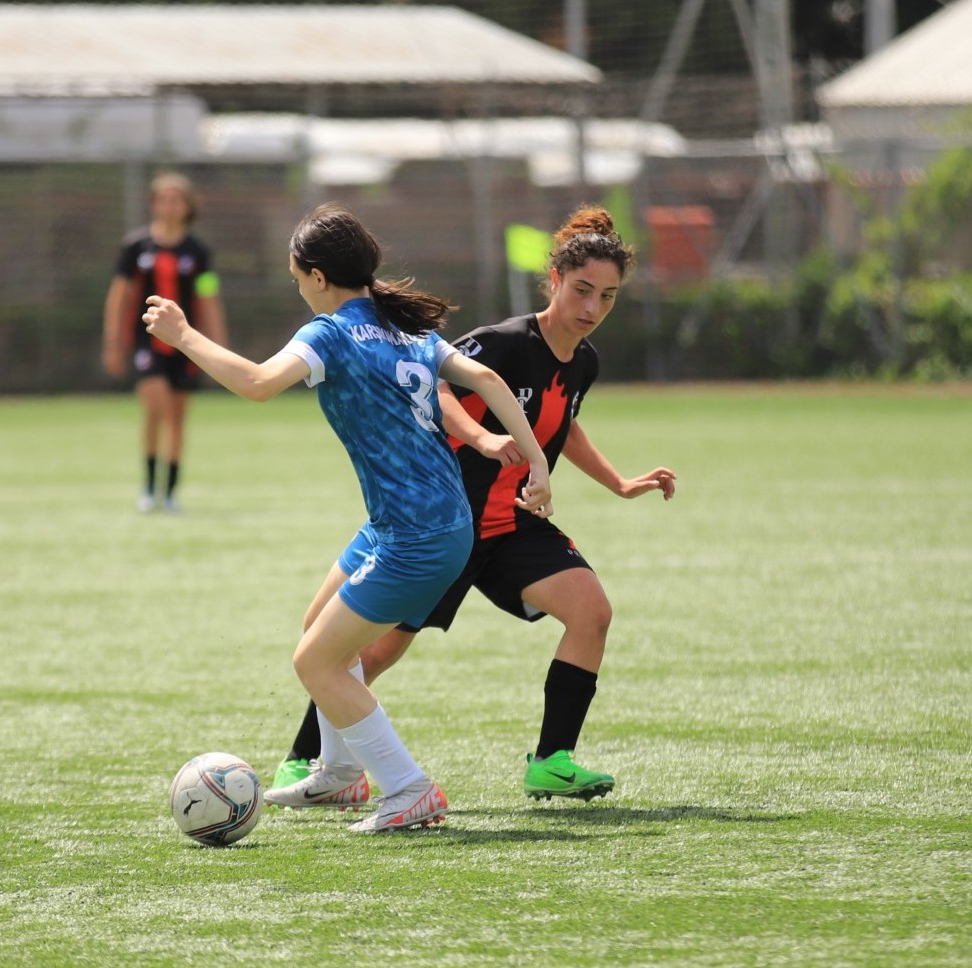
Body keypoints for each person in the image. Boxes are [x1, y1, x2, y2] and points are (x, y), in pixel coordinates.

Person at [141, 203, 553, 833]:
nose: (299, 290)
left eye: (296, 278)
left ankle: (409, 789)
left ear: (315, 276)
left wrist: (183, 336)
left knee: (317, 662)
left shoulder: (330, 332)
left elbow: (256, 384)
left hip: (418, 536)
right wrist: (536, 464)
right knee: (320, 629)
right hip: (417, 522)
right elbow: (490, 380)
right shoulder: (403, 328)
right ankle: (338, 775)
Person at [270, 205, 675, 806]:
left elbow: (560, 425)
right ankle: (306, 759)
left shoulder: (583, 362)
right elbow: (435, 384)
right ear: (555, 280)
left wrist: (617, 483)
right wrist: (483, 438)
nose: (592, 308)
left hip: (511, 525)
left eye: (608, 297)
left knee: (592, 612)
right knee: (370, 651)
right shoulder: (505, 342)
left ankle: (552, 760)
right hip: (448, 521)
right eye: (583, 290)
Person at [103, 172, 227, 513]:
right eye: (164, 199)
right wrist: (113, 341)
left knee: (177, 417)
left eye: (178, 199)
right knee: (154, 406)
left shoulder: (198, 252)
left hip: (187, 345)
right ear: (153, 203)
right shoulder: (136, 247)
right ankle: (148, 486)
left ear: (188, 206)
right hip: (148, 343)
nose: (171, 206)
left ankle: (170, 492)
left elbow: (208, 296)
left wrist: (219, 345)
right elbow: (119, 294)